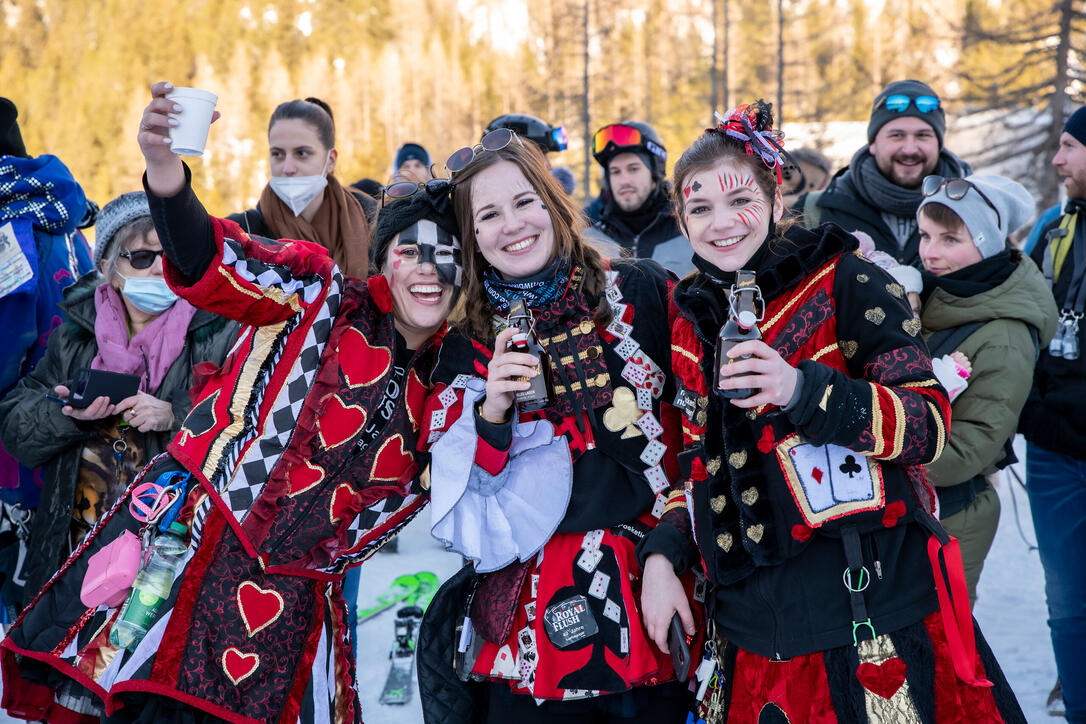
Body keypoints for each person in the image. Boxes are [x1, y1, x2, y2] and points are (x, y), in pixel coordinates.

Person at [0, 81, 463, 724]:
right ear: (384, 258)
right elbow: (216, 258)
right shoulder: (319, 292)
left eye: (448, 255)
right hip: (182, 552)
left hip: (291, 610)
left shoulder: (457, 380)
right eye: (410, 250)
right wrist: (165, 172)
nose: (428, 270)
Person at [639, 101, 1025, 723]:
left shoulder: (847, 280)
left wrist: (801, 390)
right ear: (681, 221)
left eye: (739, 201)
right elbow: (693, 465)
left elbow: (926, 427)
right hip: (753, 631)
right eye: (699, 208)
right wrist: (662, 555)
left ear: (773, 199)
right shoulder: (691, 322)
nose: (721, 224)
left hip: (868, 614)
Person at [418, 128, 695, 722]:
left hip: (649, 586)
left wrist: (668, 555)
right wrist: (491, 413)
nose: (512, 224)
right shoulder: (462, 342)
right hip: (522, 616)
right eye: (488, 214)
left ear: (553, 203)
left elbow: (703, 437)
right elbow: (455, 499)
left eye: (524, 202)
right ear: (471, 237)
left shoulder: (641, 291)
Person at [0, 190, 239, 611]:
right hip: (73, 555)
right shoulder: (74, 333)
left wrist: (175, 415)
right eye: (142, 258)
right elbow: (16, 429)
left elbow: (240, 427)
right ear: (108, 267)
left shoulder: (218, 331)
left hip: (168, 561)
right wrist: (67, 414)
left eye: (171, 257)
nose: (159, 271)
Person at [916, 174, 1057, 607]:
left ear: (989, 243)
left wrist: (870, 441)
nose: (930, 251)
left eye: (950, 239)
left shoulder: (1004, 338)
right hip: (917, 507)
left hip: (952, 517)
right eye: (924, 235)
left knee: (936, 653)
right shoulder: (935, 296)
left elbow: (968, 450)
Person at [1019, 104, 1086, 724]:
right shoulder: (1053, 226)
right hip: (1054, 449)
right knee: (1067, 601)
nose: (1057, 160)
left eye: (1069, 146)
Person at [794, 80, 971, 267]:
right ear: (873, 143)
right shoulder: (815, 211)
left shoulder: (973, 207)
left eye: (923, 135)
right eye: (896, 135)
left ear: (939, 144)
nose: (910, 149)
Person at [228, 97, 374, 278]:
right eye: (278, 154)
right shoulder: (244, 233)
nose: (288, 168)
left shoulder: (372, 221)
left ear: (330, 160)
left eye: (302, 153)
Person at [582, 121, 690, 275]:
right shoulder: (589, 241)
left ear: (656, 172)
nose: (624, 180)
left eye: (633, 169)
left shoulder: (690, 230)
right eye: (615, 172)